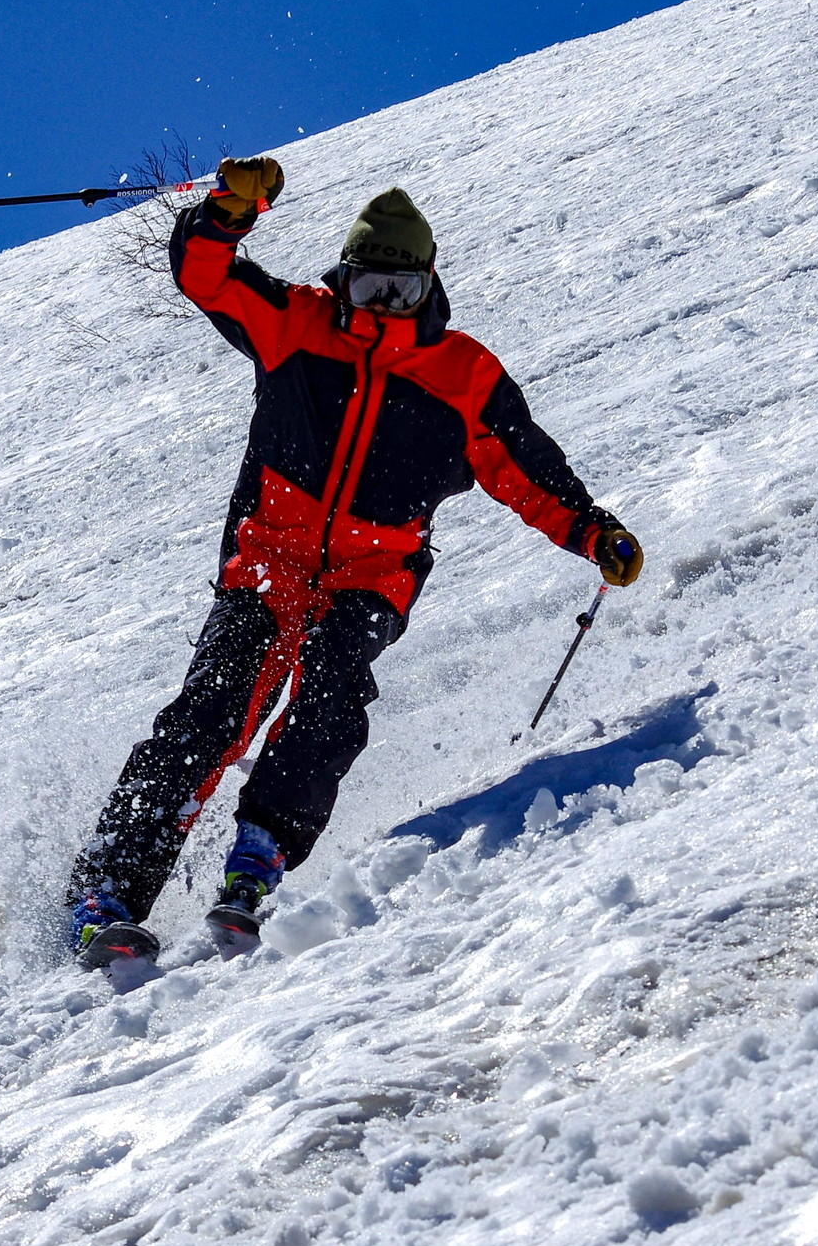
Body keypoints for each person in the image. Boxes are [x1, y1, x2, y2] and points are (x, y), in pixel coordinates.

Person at [67, 157, 642, 967]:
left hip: (372, 574)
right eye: (371, 288)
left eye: (402, 294)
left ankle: (257, 859)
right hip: (269, 560)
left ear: (430, 287)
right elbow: (206, 276)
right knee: (213, 709)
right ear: (345, 277)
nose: (384, 308)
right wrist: (229, 211)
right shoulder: (295, 321)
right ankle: (107, 892)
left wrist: (592, 531)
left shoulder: (462, 375)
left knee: (333, 693)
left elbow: (526, 468)